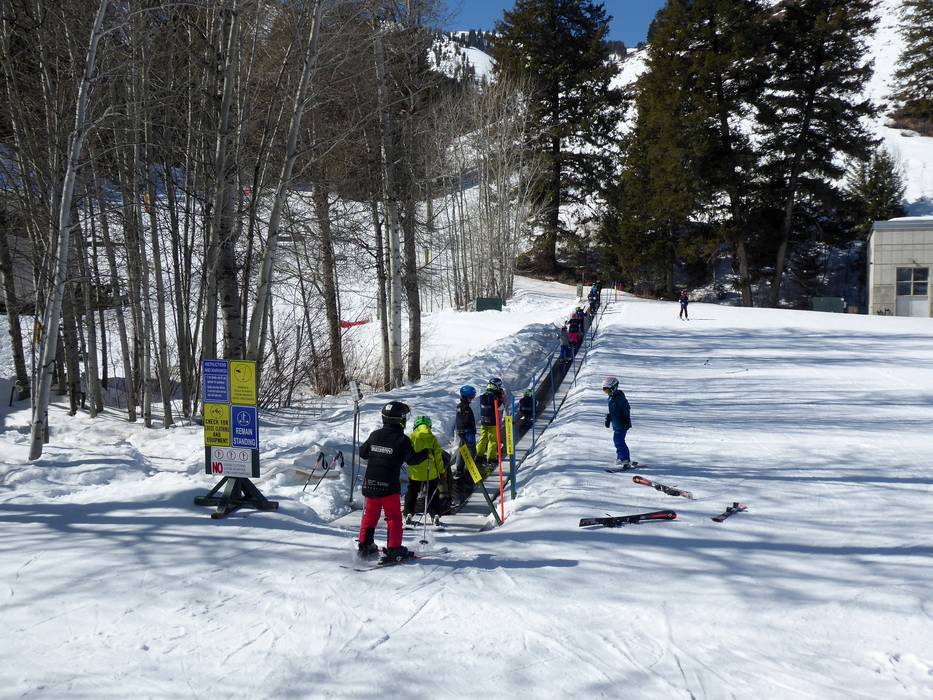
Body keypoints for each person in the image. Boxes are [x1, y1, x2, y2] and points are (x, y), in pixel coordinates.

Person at [357, 401, 430, 560]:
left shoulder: (375, 435)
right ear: (400, 419)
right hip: (388, 486)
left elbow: (362, 453)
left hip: (370, 484)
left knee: (370, 515)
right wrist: (425, 453)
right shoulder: (402, 439)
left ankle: (365, 545)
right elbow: (412, 460)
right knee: (393, 517)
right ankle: (394, 549)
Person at [404, 416, 449, 527]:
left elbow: (407, 454)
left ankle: (408, 512)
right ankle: (435, 514)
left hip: (415, 472)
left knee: (412, 491)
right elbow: (438, 457)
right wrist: (441, 472)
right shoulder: (432, 438)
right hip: (431, 471)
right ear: (429, 426)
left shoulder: (411, 437)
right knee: (432, 492)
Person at [452, 385, 477, 503]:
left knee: (462, 451)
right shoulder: (464, 407)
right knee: (471, 453)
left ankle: (459, 470)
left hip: (464, 432)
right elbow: (463, 421)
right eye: (471, 397)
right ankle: (468, 474)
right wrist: (464, 431)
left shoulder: (461, 406)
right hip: (467, 433)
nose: (472, 398)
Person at [602, 376, 632, 466]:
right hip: (616, 423)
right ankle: (621, 458)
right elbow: (614, 411)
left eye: (607, 390)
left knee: (619, 441)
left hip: (622, 423)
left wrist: (626, 419)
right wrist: (609, 418)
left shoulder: (619, 397)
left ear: (614, 388)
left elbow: (626, 408)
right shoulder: (611, 397)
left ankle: (625, 459)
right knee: (618, 441)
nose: (607, 393)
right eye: (605, 391)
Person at [475, 380, 504, 467]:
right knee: (492, 440)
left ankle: (479, 455)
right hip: (493, 422)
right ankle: (491, 458)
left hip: (483, 421)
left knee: (483, 438)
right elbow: (501, 407)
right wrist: (500, 398)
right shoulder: (495, 398)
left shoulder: (483, 396)